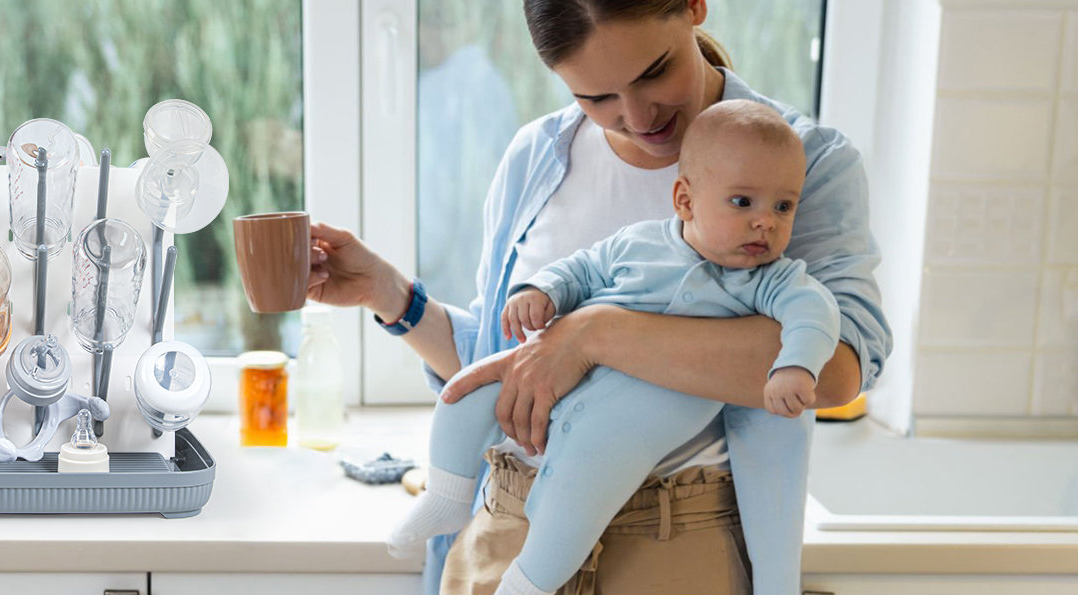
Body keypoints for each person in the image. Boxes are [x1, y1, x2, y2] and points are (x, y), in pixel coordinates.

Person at [304, 0, 891, 593]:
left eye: (655, 71)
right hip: (507, 535)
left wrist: (593, 335)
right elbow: (509, 361)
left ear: (694, 8)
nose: (638, 116)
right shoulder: (536, 158)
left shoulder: (799, 161)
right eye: (596, 97)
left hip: (672, 549)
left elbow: (838, 369)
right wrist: (388, 293)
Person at [386, 100, 841, 594]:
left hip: (625, 439)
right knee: (465, 393)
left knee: (575, 492)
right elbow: (581, 269)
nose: (766, 223)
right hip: (550, 412)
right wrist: (539, 292)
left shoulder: (767, 282)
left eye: (783, 206)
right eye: (742, 203)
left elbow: (815, 314)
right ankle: (447, 494)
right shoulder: (639, 243)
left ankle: (527, 585)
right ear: (685, 201)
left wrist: (796, 367)